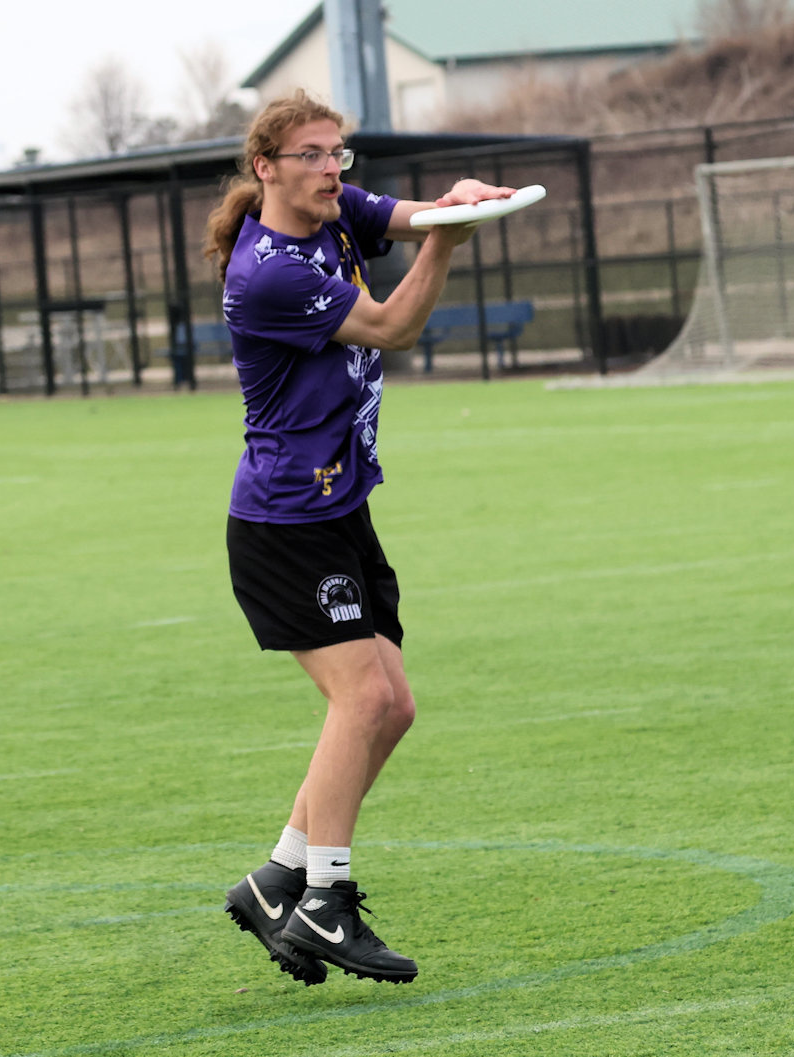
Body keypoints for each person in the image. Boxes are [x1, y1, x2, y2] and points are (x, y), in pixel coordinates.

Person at [204, 90, 516, 986]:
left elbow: (407, 214)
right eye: (309, 154)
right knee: (363, 698)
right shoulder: (268, 270)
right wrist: (448, 241)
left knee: (393, 705)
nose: (330, 168)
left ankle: (277, 877)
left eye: (337, 151)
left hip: (338, 509)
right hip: (285, 524)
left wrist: (457, 203)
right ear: (265, 167)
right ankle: (324, 897)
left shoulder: (334, 210)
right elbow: (391, 325)